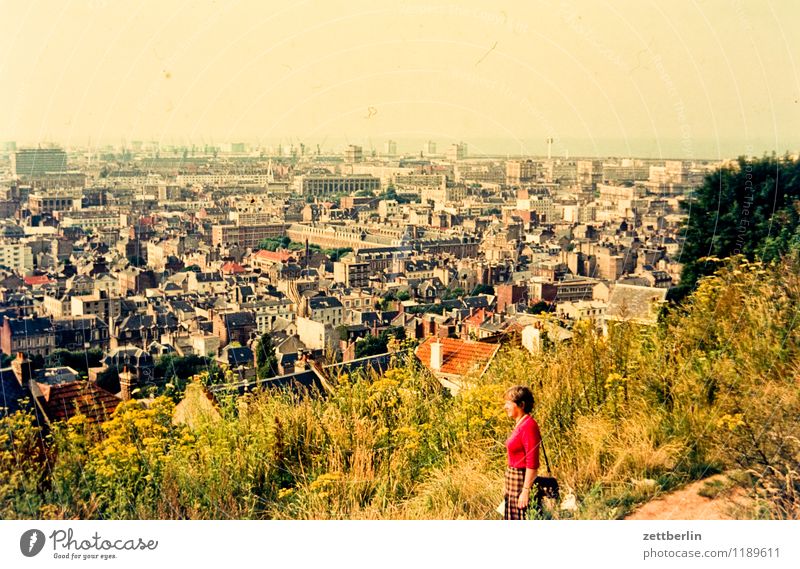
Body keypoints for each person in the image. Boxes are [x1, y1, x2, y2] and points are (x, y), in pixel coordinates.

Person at [502, 385, 542, 520]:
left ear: (521, 405)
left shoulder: (528, 426)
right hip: (513, 481)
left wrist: (525, 491)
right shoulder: (521, 424)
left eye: (509, 403)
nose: (505, 407)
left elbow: (532, 463)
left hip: (521, 481)